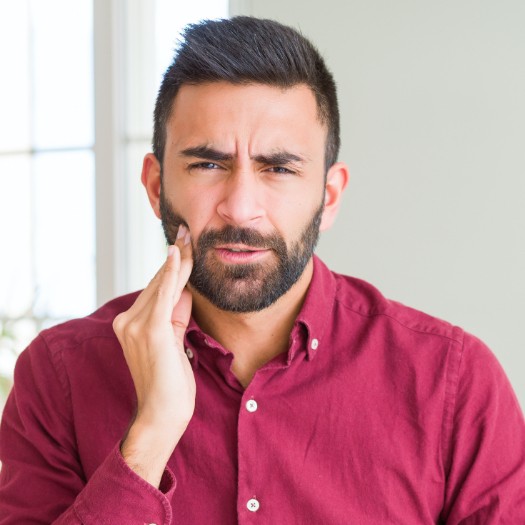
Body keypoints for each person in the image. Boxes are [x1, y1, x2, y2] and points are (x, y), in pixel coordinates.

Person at [0, 16, 524, 525]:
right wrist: (149, 440)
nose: (241, 207)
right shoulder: (58, 377)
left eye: (278, 168)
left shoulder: (454, 383)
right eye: (208, 164)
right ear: (157, 187)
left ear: (330, 194)